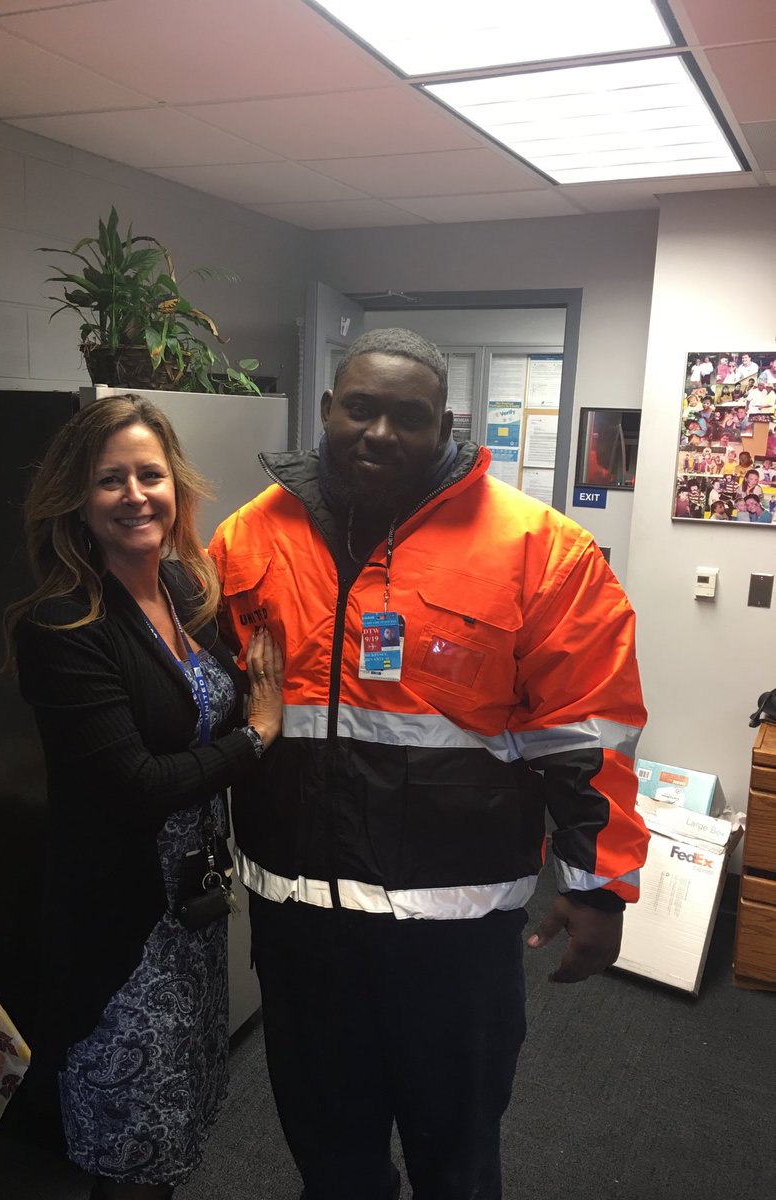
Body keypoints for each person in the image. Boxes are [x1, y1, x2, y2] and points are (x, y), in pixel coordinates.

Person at [208, 329, 649, 1200]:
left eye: (407, 417)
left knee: (458, 1153)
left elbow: (588, 734)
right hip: (299, 922)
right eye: (360, 408)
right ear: (327, 409)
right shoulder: (248, 537)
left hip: (452, 936)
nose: (378, 432)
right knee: (327, 1150)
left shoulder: (538, 548)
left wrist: (598, 888)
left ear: (446, 425)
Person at [2, 395, 284, 1200]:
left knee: (176, 1129)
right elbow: (135, 786)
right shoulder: (63, 626)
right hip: (121, 934)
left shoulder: (184, 596)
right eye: (109, 480)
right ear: (76, 502)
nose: (135, 495)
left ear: (177, 487)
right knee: (128, 1149)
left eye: (150, 475)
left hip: (187, 921)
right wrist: (257, 735)